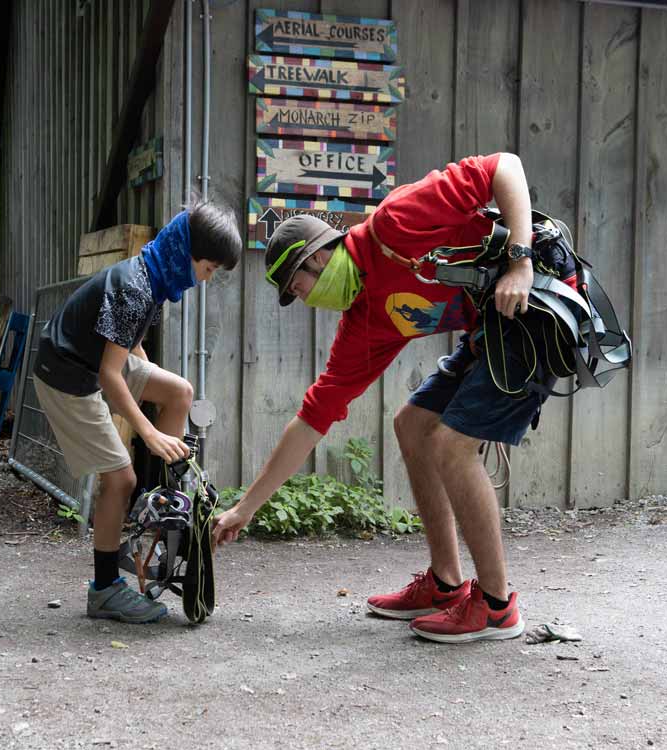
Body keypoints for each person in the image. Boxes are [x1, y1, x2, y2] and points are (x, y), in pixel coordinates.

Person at [213, 153, 541, 643]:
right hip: (488, 334)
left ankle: (496, 607)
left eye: (297, 288)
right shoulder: (365, 321)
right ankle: (447, 586)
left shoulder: (394, 225)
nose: (303, 300)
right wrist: (246, 508)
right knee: (412, 424)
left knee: (451, 445)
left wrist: (520, 262)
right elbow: (313, 417)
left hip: (533, 318)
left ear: (317, 258)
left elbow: (507, 167)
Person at [34, 201, 241, 623]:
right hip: (68, 373)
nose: (208, 277)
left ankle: (158, 509)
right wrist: (148, 432)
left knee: (179, 392)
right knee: (119, 478)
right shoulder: (137, 286)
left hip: (92, 361)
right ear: (189, 254)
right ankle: (106, 589)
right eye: (210, 267)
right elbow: (111, 376)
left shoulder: (155, 274)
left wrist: (151, 386)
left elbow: (130, 348)